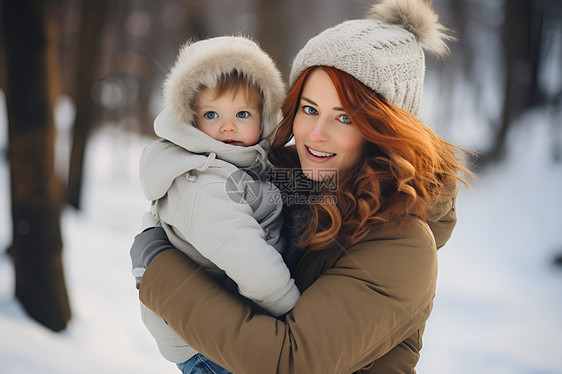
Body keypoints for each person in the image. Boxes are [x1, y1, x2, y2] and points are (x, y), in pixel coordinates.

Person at [131, 0, 471, 372]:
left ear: (385, 129)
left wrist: (159, 271)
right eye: (309, 109)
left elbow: (290, 361)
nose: (315, 135)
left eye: (344, 117)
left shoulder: (402, 245)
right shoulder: (290, 175)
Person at [133, 36, 300, 373]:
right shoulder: (202, 182)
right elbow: (251, 263)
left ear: (264, 118)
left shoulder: (244, 165)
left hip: (227, 323)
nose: (228, 126)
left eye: (242, 113)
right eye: (212, 114)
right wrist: (296, 317)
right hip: (207, 348)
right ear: (190, 120)